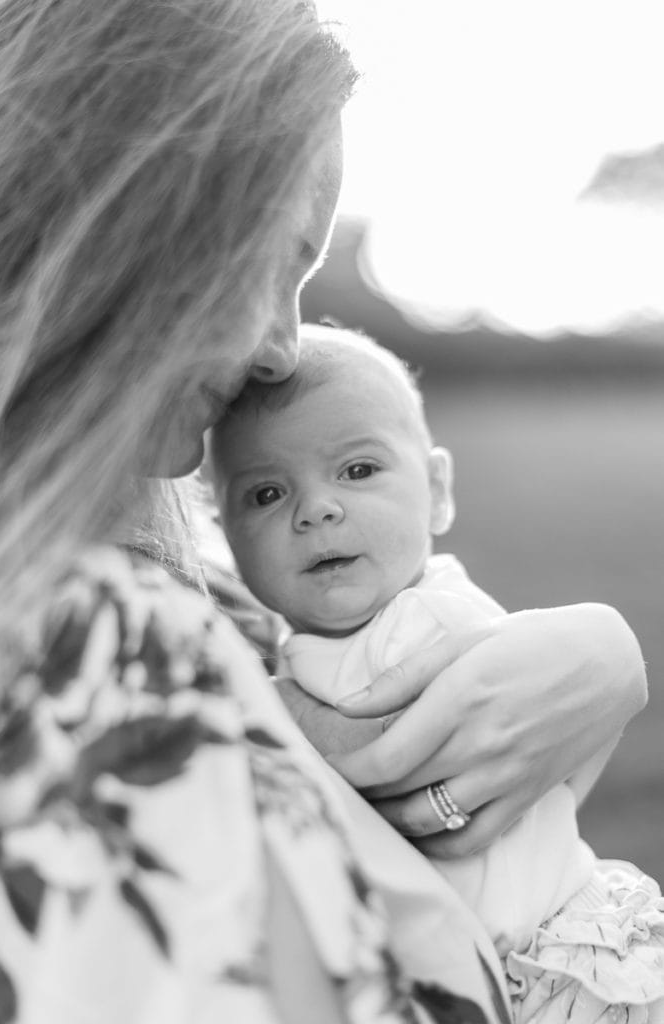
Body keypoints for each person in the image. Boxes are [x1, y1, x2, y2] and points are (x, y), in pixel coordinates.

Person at [0, 1, 647, 1022]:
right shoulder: (91, 646)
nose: (284, 347)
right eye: (274, 259)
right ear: (125, 224)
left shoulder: (191, 585)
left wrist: (596, 658)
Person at [208, 324, 664, 1023]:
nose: (316, 509)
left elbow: (360, 749)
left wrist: (252, 702)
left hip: (556, 968)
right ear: (225, 536)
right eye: (266, 494)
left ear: (438, 490)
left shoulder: (427, 623)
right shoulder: (307, 647)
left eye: (357, 471)